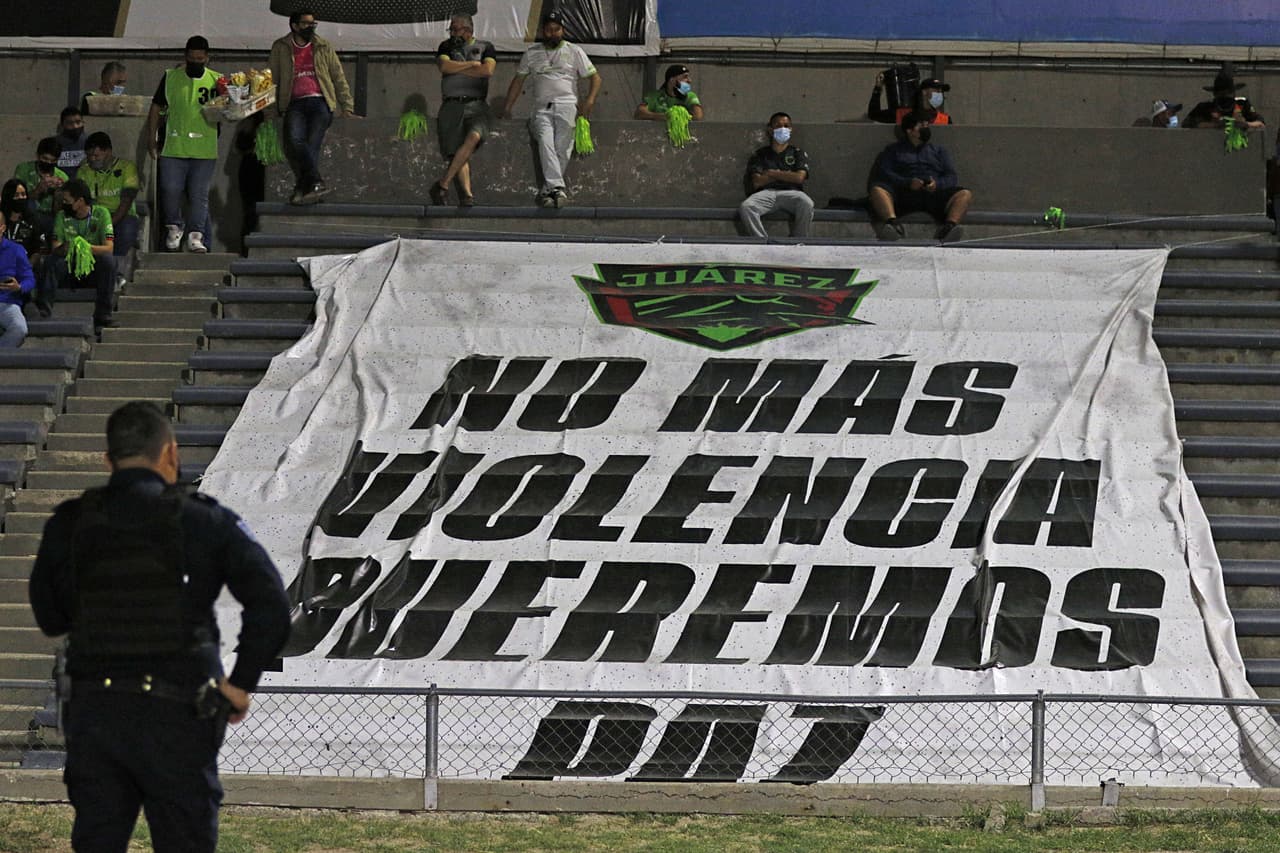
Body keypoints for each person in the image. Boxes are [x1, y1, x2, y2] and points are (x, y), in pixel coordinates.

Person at [29, 401, 291, 853]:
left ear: (108, 461)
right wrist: (240, 683)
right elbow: (271, 604)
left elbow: (50, 619)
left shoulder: (70, 523)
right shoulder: (203, 518)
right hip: (179, 716)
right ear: (170, 453)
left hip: (96, 714)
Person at [501, 11, 601, 208]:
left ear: (562, 30)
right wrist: (507, 107)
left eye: (556, 30)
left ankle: (548, 191)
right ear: (542, 31)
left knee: (563, 149)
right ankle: (557, 188)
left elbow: (595, 78)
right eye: (548, 30)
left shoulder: (574, 51)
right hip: (541, 108)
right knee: (545, 143)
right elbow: (518, 81)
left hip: (568, 105)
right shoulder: (531, 53)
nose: (552, 34)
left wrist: (589, 100)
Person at [269, 9, 356, 206]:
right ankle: (314, 183)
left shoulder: (323, 46)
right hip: (294, 103)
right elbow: (272, 79)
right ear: (294, 26)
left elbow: (338, 76)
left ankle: (302, 188)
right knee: (295, 140)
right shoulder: (281, 47)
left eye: (313, 24)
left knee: (311, 143)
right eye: (306, 23)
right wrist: (270, 110)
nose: (311, 27)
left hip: (320, 101)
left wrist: (346, 106)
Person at [147, 35, 221, 253]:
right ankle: (174, 227)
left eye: (200, 58)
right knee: (170, 190)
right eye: (192, 58)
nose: (196, 62)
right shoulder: (171, 77)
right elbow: (156, 108)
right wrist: (152, 137)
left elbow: (228, 109)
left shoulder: (218, 80)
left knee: (199, 196)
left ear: (207, 58)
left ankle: (196, 236)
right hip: (174, 146)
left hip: (204, 148)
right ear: (185, 57)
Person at [869, 111, 973, 242]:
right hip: (904, 194)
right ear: (909, 130)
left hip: (933, 195)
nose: (925, 129)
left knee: (964, 194)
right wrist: (907, 183)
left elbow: (951, 176)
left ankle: (948, 228)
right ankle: (893, 225)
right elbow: (885, 173)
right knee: (877, 189)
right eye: (921, 126)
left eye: (927, 125)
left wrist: (937, 184)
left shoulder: (938, 150)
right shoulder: (893, 150)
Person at [428, 13, 496, 208]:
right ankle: (467, 195)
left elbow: (487, 71)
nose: (452, 33)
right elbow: (444, 66)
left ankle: (443, 184)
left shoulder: (485, 47)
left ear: (468, 30)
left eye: (456, 29)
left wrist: (461, 69)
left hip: (476, 104)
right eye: (451, 29)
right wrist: (472, 65)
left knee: (473, 136)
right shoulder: (446, 46)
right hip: (452, 105)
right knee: (457, 149)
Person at [44, 179, 116, 330]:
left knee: (108, 262)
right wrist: (67, 248)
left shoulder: (101, 213)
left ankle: (103, 316)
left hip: (91, 270)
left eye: (67, 200)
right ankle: (44, 311)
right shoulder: (62, 216)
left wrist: (86, 248)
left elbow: (108, 248)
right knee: (51, 261)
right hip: (69, 268)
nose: (64, 204)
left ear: (80, 201)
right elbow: (55, 247)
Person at [738, 111, 814, 240]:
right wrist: (787, 175)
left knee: (807, 203)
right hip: (767, 193)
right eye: (778, 125)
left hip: (792, 192)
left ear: (791, 129)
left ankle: (798, 241)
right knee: (747, 207)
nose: (783, 129)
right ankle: (762, 242)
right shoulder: (761, 154)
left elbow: (799, 178)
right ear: (770, 129)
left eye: (786, 125)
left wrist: (772, 173)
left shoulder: (797, 152)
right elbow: (757, 182)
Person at [81, 132, 140, 284]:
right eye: (90, 156)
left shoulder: (127, 168)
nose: (92, 160)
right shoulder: (84, 171)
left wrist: (109, 223)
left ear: (108, 151)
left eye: (96, 156)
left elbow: (127, 199)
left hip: (121, 215)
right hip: (95, 215)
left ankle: (118, 274)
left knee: (126, 229)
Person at [2, 180, 51, 316]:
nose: (21, 198)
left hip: (25, 264)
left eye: (23, 194)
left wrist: (26, 265)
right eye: (16, 195)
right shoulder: (1, 219)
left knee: (42, 264)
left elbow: (39, 248)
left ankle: (41, 304)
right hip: (3, 265)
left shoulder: (33, 219)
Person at [1185, 63, 1265, 130]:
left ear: (1233, 93)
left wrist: (1245, 124)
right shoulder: (1204, 107)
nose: (1225, 97)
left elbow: (1261, 123)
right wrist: (1213, 125)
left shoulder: (1242, 104)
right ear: (1215, 94)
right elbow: (1186, 124)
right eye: (1221, 94)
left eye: (1228, 93)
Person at [13, 137, 68, 229]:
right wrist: (38, 190)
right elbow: (17, 201)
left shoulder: (62, 177)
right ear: (38, 156)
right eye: (45, 159)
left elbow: (59, 214)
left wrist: (58, 194)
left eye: (53, 160)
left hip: (50, 219)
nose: (48, 163)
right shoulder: (23, 169)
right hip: (26, 217)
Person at [0, 214, 35, 347]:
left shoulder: (15, 250)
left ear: (2, 228)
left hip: (6, 303)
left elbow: (29, 279)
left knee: (19, 328)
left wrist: (19, 287)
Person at [869, 74, 952, 125]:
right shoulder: (903, 114)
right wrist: (878, 88)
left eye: (941, 91)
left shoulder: (946, 120)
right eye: (936, 89)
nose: (940, 93)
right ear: (924, 92)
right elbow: (874, 114)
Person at [635, 64, 705, 121]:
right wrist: (663, 117)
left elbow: (698, 116)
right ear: (672, 80)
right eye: (685, 77)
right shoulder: (654, 96)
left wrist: (680, 118)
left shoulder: (690, 96)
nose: (690, 80)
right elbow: (639, 113)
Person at [56, 107, 89, 177]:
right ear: (62, 125)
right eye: (70, 123)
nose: (75, 126)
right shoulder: (53, 144)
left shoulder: (90, 142)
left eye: (78, 122)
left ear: (83, 122)